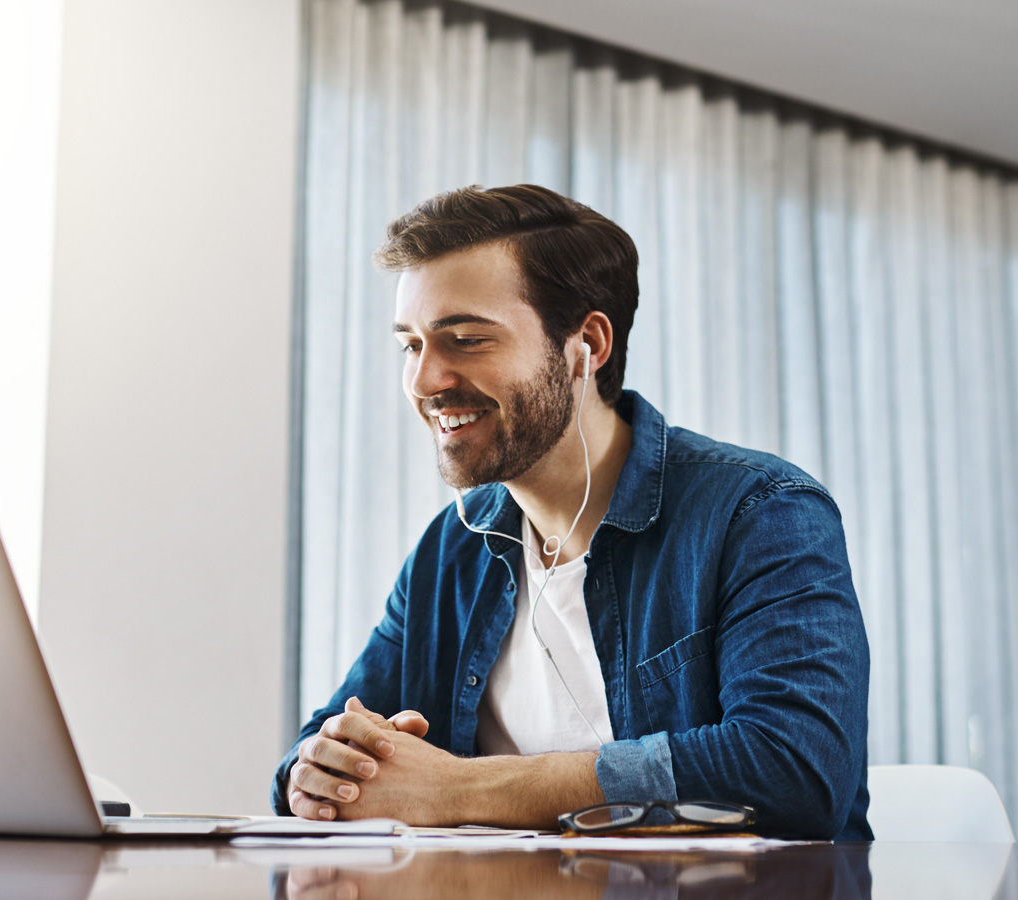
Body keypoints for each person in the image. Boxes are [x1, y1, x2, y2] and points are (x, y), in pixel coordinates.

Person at [273, 184, 871, 840]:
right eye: (410, 345)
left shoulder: (760, 514)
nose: (424, 382)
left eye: (466, 339)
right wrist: (320, 769)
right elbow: (312, 755)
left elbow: (794, 771)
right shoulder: (452, 550)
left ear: (587, 344)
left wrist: (454, 786)